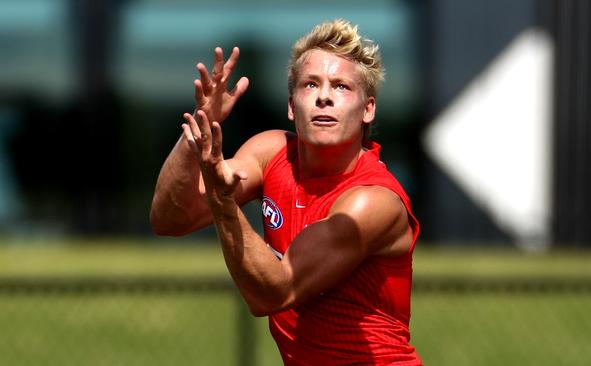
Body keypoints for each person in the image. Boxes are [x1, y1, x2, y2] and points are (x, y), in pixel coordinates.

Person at [150, 19, 422, 365]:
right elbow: (170, 217)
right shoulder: (271, 153)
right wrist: (198, 127)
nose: (324, 96)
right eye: (311, 84)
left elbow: (273, 291)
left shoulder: (372, 200)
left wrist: (223, 203)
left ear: (368, 109)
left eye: (341, 87)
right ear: (292, 106)